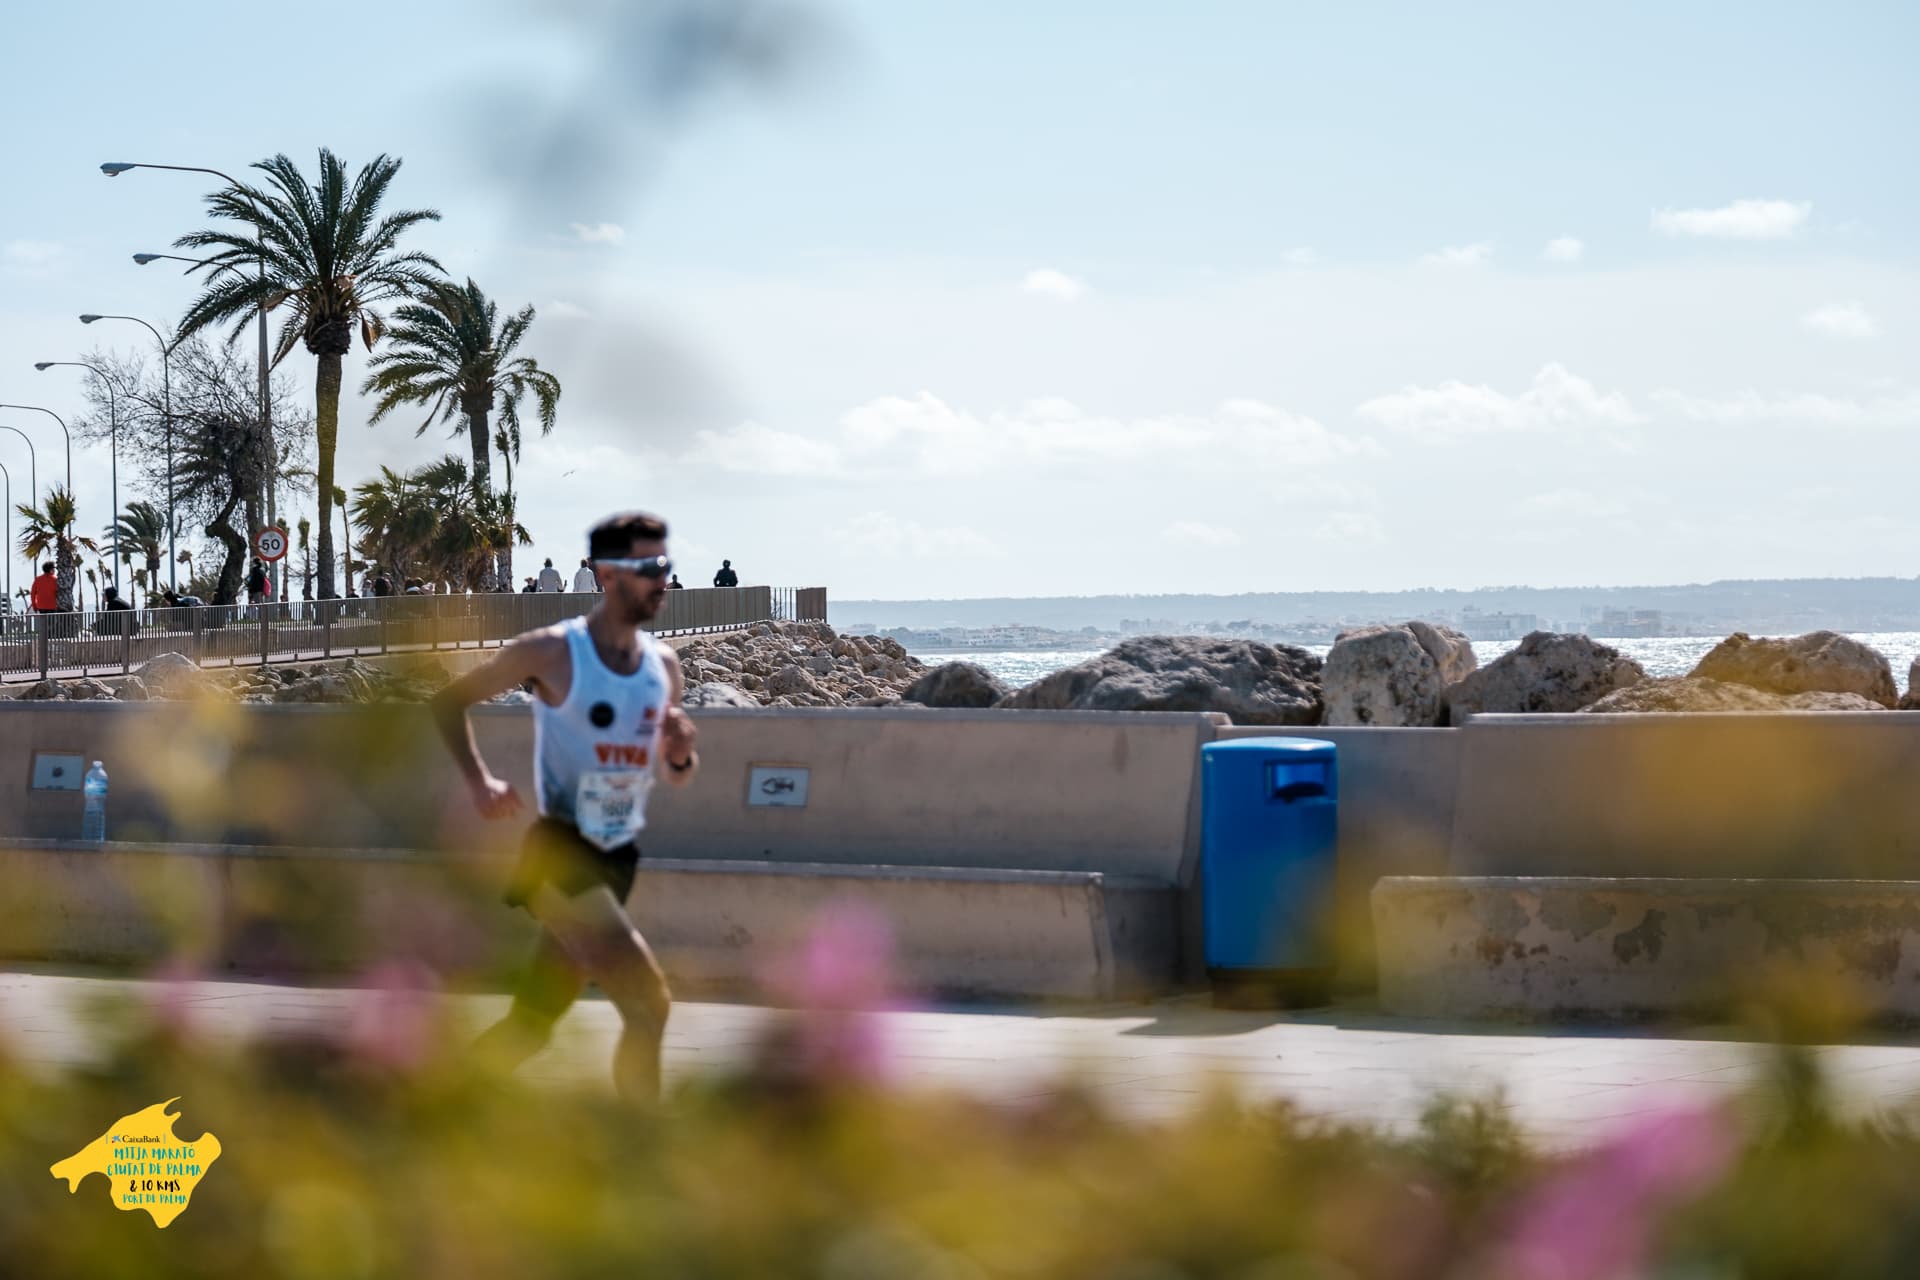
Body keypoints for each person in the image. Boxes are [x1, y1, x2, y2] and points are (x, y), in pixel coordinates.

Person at [432, 512, 694, 1103]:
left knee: (535, 1020)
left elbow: (674, 775)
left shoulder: (664, 668)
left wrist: (679, 753)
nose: (661, 582)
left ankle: (439, 1103)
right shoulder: (552, 652)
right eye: (648, 568)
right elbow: (448, 703)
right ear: (605, 573)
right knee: (649, 1005)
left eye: (665, 568)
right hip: (561, 853)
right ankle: (640, 1150)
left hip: (617, 856)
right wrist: (481, 782)